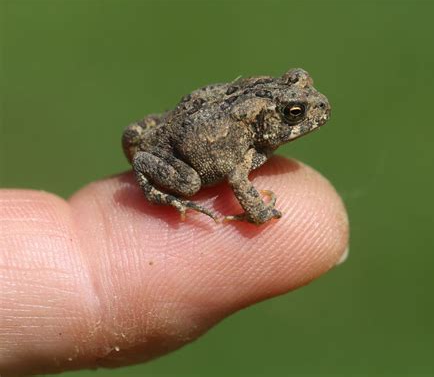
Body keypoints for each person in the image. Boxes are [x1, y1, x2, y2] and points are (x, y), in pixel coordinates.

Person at [0, 157, 349, 375]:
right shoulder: (245, 148)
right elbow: (238, 178)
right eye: (293, 114)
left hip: (173, 129)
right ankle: (166, 193)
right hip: (183, 156)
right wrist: (259, 212)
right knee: (189, 184)